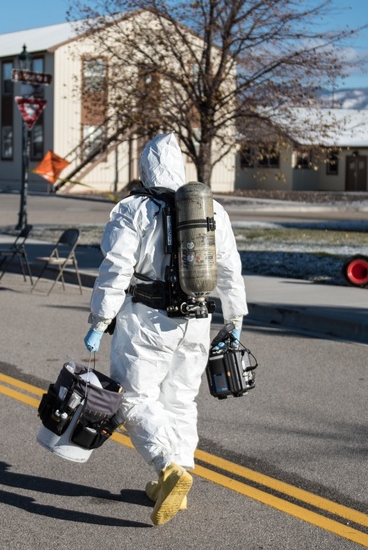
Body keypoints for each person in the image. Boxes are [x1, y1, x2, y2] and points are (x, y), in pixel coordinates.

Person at [83, 133, 247, 526]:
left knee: (131, 400)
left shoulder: (134, 209)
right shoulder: (213, 212)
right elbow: (229, 269)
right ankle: (174, 477)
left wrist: (99, 321)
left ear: (146, 168)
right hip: (198, 321)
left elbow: (116, 270)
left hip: (148, 320)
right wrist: (235, 320)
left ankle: (170, 468)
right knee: (180, 402)